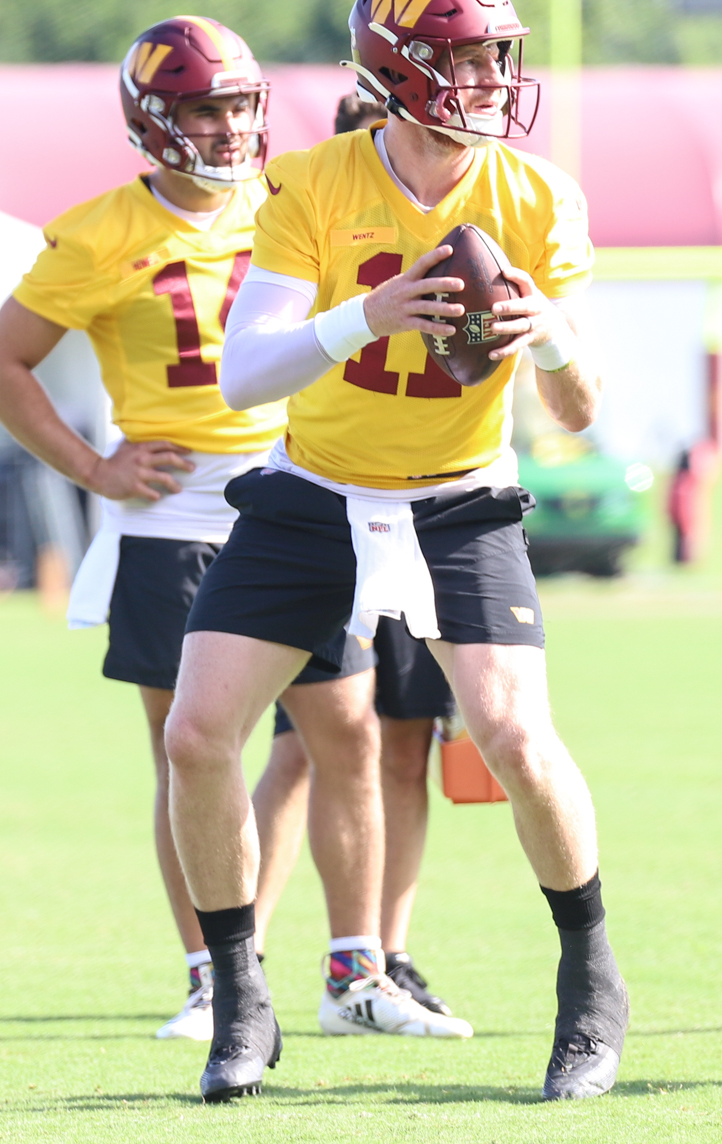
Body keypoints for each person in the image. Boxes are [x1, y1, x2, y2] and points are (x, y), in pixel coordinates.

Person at [163, 0, 628, 1104]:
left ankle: (590, 981)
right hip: (317, 487)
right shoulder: (315, 182)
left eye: (494, 56)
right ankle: (239, 992)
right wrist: (364, 314)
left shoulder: (535, 194)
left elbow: (576, 412)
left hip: (460, 490)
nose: (488, 78)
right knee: (196, 731)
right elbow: (242, 375)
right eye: (464, 57)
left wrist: (548, 336)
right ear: (399, 70)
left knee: (515, 734)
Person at [0, 15, 284, 1043]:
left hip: (298, 499)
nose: (232, 127)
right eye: (207, 107)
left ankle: (349, 957)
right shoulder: (99, 231)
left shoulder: (290, 204)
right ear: (155, 120)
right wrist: (92, 465)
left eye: (241, 104)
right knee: (188, 751)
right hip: (174, 514)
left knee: (344, 731)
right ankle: (212, 971)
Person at [252, 91, 461, 1019]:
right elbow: (259, 365)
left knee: (406, 745)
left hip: (434, 513)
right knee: (311, 745)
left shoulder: (473, 225)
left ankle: (388, 950)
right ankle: (240, 957)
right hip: (332, 510)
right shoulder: (313, 226)